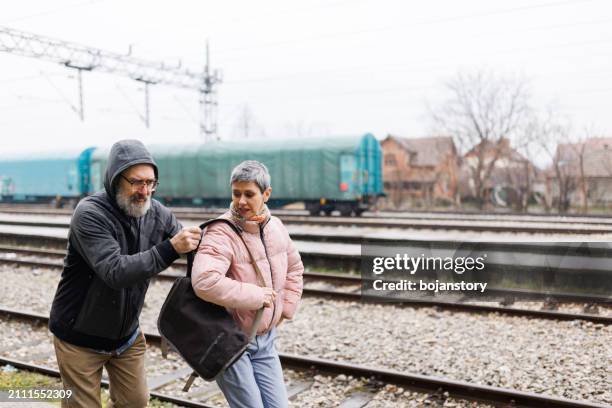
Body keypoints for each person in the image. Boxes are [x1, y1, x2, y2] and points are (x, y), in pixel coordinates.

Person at [49, 139, 202, 408]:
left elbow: (188, 243)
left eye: (151, 183)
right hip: (79, 339)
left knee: (136, 403)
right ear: (115, 178)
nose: (145, 191)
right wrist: (170, 248)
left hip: (126, 337)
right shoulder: (90, 213)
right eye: (136, 182)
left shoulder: (156, 212)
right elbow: (115, 271)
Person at [192, 160, 304, 408]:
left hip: (265, 339)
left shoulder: (275, 227)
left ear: (267, 194)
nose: (241, 201)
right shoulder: (221, 232)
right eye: (236, 193)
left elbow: (295, 268)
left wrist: (286, 308)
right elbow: (204, 281)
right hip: (231, 340)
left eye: (249, 194)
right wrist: (256, 296)